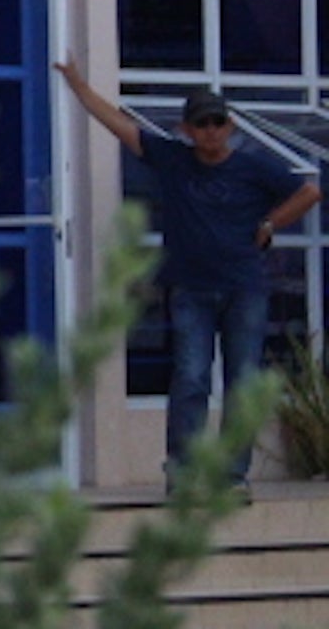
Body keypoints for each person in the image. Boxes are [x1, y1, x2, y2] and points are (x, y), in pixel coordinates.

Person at [56, 59, 322, 493]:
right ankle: (182, 474)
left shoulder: (254, 167)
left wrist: (271, 225)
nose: (211, 131)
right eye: (202, 124)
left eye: (218, 122)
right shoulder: (172, 159)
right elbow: (117, 124)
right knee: (191, 378)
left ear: (230, 125)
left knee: (242, 383)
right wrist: (78, 85)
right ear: (187, 130)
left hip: (244, 288)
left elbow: (309, 190)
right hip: (190, 290)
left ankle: (232, 478)